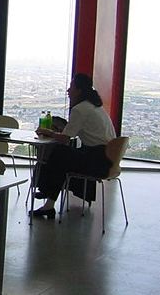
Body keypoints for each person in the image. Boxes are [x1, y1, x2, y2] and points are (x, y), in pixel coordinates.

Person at [31, 73, 116, 218]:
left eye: (71, 87)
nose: (68, 90)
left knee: (60, 153)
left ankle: (47, 195)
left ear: (79, 90)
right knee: (62, 156)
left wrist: (48, 132)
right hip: (106, 160)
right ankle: (47, 195)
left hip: (97, 161)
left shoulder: (80, 109)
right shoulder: (94, 106)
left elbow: (65, 138)